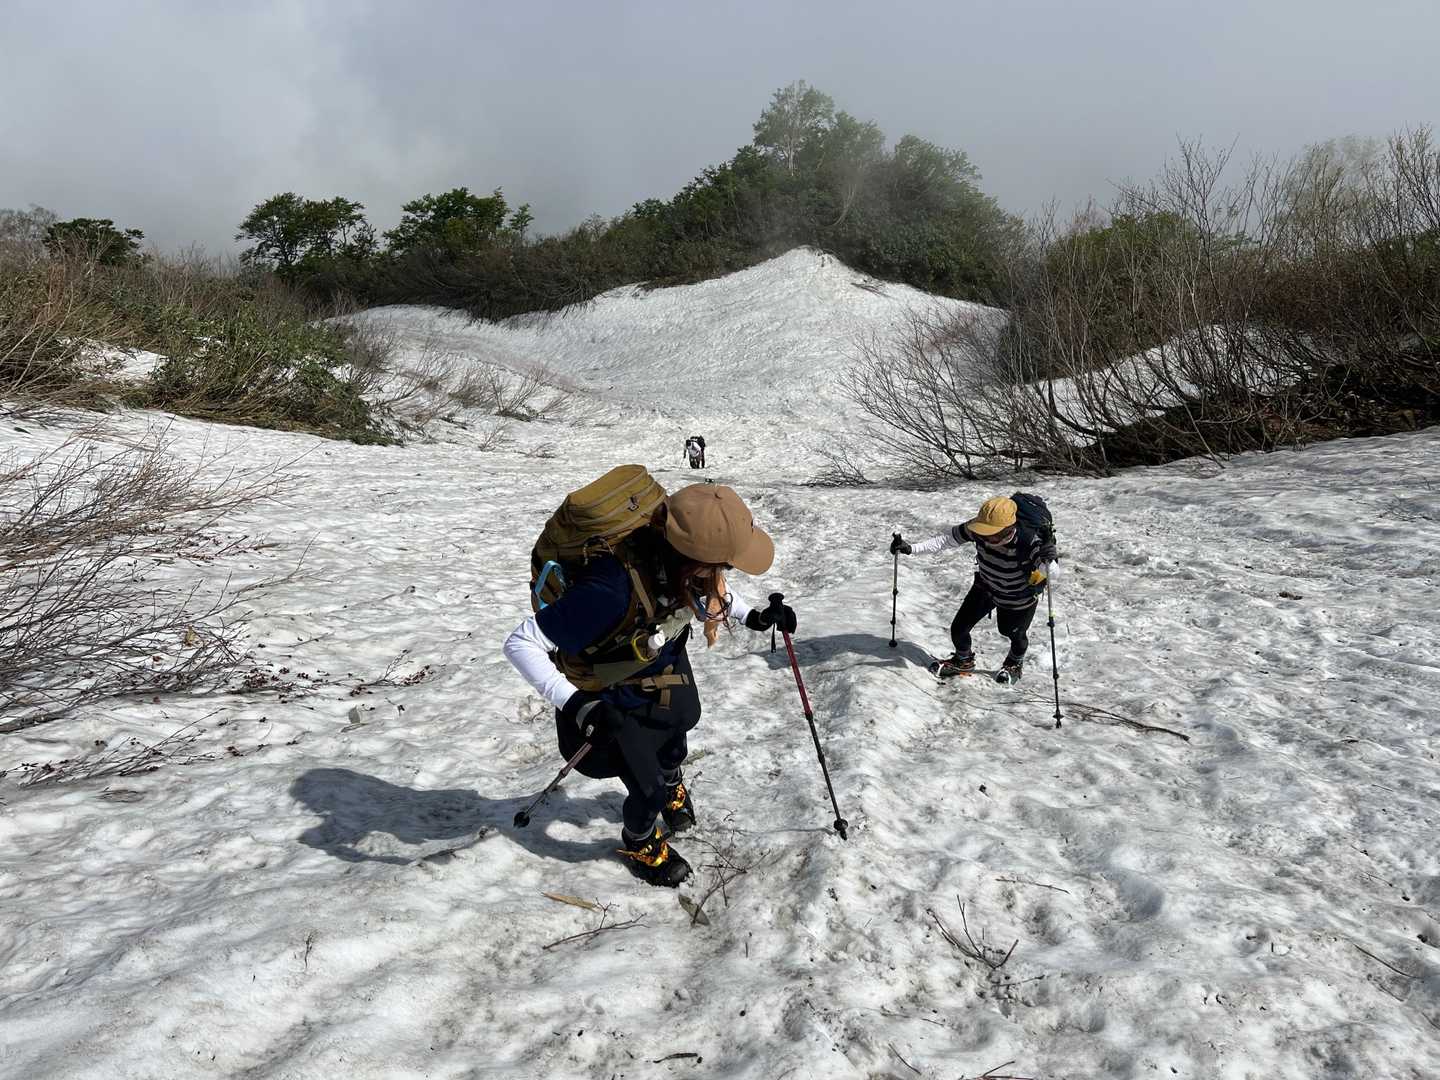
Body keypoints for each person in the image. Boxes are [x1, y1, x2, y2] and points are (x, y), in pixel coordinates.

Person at [504, 481, 795, 887]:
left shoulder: (678, 558)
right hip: (611, 690)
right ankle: (639, 841)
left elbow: (708, 587)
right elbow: (521, 643)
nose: (724, 573)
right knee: (648, 789)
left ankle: (672, 781)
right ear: (692, 558)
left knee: (680, 729)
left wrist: (754, 617)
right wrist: (577, 704)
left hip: (661, 658)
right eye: (724, 565)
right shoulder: (609, 589)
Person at [890, 494, 1057, 684]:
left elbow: (1050, 573)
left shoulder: (1030, 540)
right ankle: (963, 660)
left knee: (1012, 633)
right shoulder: (978, 529)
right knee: (959, 629)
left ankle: (1014, 662)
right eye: (983, 532)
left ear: (1009, 529)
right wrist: (911, 548)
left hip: (1018, 596)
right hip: (985, 587)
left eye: (992, 533)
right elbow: (947, 540)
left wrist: (1049, 559)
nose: (985, 537)